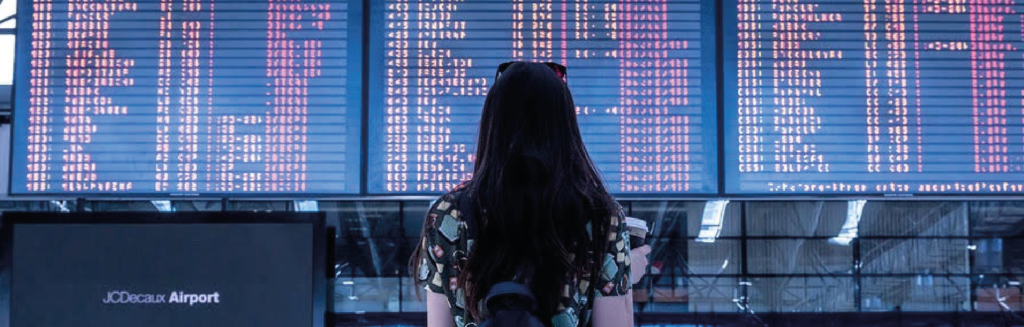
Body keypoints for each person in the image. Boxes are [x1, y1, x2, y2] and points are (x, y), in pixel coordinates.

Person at [410, 62, 651, 327]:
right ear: (564, 125)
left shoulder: (447, 213)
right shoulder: (601, 215)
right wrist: (624, 279)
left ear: (493, 123)